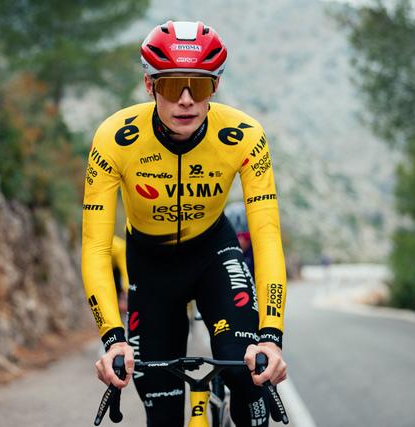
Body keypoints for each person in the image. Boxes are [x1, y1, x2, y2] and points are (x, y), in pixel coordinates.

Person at [81, 20, 287, 427]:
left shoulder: (245, 136)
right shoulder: (114, 138)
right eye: (174, 85)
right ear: (150, 85)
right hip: (150, 269)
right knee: (161, 410)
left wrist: (271, 337)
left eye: (201, 86)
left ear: (216, 86)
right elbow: (96, 246)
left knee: (251, 372)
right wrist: (112, 339)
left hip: (213, 255)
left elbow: (266, 239)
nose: (187, 100)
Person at [111, 234, 129, 313]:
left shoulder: (120, 248)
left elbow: (126, 274)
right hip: (108, 266)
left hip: (116, 263)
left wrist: (125, 295)